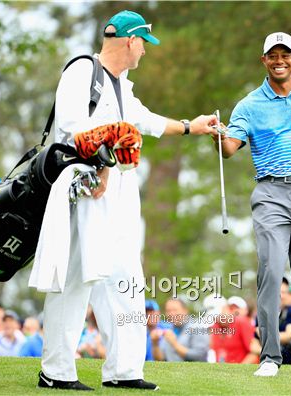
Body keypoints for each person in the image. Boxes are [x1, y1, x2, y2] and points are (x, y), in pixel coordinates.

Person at [32, 10, 217, 391]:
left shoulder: (122, 85)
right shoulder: (82, 71)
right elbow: (70, 128)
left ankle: (124, 371)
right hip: (82, 186)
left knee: (126, 280)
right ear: (131, 41)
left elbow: (143, 120)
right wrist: (104, 160)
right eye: (144, 45)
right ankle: (56, 371)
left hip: (114, 190)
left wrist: (189, 127)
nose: (145, 53)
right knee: (74, 282)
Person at [214, 32, 291, 377]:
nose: (279, 60)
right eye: (273, 55)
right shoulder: (249, 105)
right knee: (270, 271)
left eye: (286, 54)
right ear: (263, 60)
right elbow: (230, 148)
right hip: (270, 194)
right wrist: (219, 135)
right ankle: (270, 356)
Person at [251, 279, 291, 365]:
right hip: (268, 361)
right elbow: (253, 345)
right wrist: (268, 355)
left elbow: (289, 335)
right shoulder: (261, 314)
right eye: (277, 291)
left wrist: (265, 335)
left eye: (284, 292)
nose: (281, 295)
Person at [151, 298, 209, 362]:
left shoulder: (197, 327)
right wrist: (155, 344)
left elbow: (199, 356)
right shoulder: (170, 329)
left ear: (185, 310)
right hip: (172, 371)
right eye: (168, 311)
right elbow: (161, 359)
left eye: (175, 310)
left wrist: (175, 344)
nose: (171, 314)